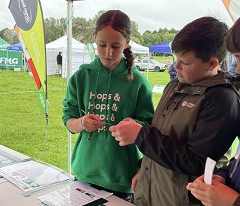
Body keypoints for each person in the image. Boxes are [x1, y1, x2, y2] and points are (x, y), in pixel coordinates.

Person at [109, 16, 240, 206]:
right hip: (154, 191)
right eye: (175, 58)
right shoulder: (175, 86)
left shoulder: (222, 99)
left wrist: (141, 136)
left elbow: (196, 161)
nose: (175, 66)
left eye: (185, 62)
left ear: (212, 64)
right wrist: (146, 173)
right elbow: (162, 134)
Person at [61, 10, 154, 203]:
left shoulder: (138, 83)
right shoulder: (81, 77)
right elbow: (69, 121)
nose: (108, 53)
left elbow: (149, 127)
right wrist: (82, 122)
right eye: (102, 45)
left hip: (121, 177)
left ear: (127, 42)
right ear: (94, 39)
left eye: (116, 46)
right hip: (85, 173)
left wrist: (134, 127)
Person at [186, 17, 240, 206]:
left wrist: (233, 200)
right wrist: (224, 175)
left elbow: (195, 158)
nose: (238, 69)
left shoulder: (224, 96)